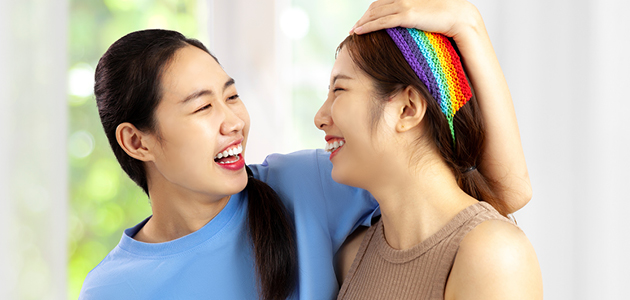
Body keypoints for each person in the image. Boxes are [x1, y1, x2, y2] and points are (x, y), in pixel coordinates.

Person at [80, 2, 532, 300]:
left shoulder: (305, 185)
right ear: (137, 141)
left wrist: (468, 28)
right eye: (202, 106)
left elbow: (494, 191)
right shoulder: (112, 289)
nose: (234, 121)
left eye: (232, 96)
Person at [314, 0, 542, 299]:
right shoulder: (352, 257)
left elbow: (513, 190)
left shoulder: (494, 254)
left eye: (339, 90)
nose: (320, 117)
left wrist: (468, 23)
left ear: (408, 109)